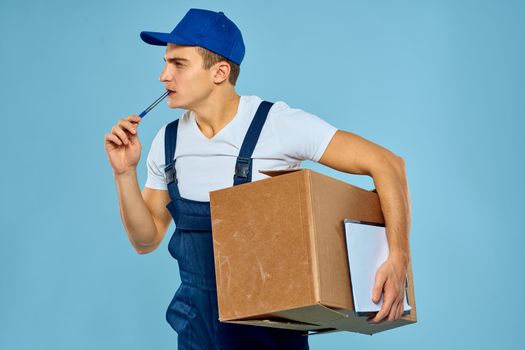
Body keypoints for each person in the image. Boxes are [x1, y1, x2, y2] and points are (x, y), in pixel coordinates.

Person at [104, 8, 411, 350]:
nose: (163, 76)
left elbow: (388, 164)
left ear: (219, 72)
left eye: (178, 64)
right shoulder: (167, 141)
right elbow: (146, 240)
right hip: (196, 331)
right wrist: (124, 173)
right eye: (165, 62)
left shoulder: (277, 125)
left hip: (268, 336)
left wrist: (397, 258)